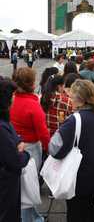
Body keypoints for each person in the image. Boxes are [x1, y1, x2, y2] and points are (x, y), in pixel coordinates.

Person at [49, 79, 94, 222]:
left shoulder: (74, 120)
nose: (69, 98)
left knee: (77, 213)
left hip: (78, 176)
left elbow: (54, 149)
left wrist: (60, 129)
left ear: (80, 99)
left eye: (71, 96)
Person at [10, 67, 50, 222]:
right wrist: (50, 149)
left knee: (23, 185)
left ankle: (34, 216)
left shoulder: (11, 99)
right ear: (31, 84)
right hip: (31, 148)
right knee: (28, 186)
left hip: (14, 144)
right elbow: (43, 132)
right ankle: (28, 218)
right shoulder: (32, 105)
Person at [0, 77, 30, 222]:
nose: (14, 99)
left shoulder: (4, 119)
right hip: (5, 184)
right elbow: (15, 160)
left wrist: (17, 143)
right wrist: (24, 154)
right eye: (12, 96)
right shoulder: (1, 127)